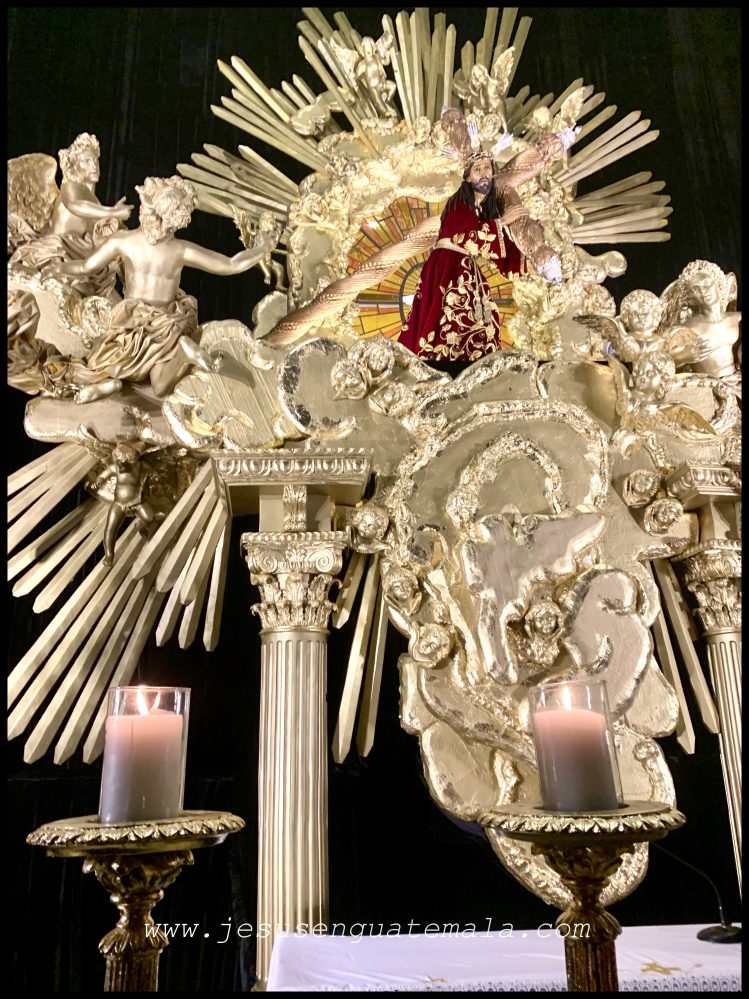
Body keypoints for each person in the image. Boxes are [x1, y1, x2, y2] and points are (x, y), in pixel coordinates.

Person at [40, 175, 278, 402]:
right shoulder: (180, 250)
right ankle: (183, 353)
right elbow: (230, 265)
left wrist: (58, 268)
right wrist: (262, 247)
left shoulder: (124, 240)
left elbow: (86, 266)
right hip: (166, 326)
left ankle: (110, 382)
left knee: (104, 362)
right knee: (160, 385)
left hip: (131, 324)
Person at [396, 128, 573, 362]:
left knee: (480, 322)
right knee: (447, 321)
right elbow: (464, 236)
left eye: (487, 168)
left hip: (463, 267)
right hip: (446, 268)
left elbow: (499, 250)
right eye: (477, 169)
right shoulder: (460, 201)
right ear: (468, 177)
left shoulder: (485, 208)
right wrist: (503, 222)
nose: (483, 174)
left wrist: (530, 258)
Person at [10, 132, 132, 300]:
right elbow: (75, 205)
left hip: (81, 260)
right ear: (74, 165)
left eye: (95, 160)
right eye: (86, 161)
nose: (93, 166)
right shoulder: (71, 185)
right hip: (60, 252)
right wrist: (112, 212)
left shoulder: (94, 200)